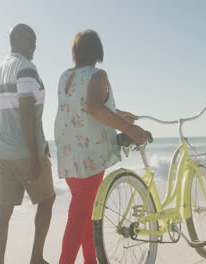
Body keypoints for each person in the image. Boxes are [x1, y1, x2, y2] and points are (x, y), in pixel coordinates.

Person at [54, 29, 150, 264]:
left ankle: (91, 261)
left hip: (68, 151)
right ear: (98, 51)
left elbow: (84, 104)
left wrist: (118, 113)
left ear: (75, 52)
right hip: (90, 153)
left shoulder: (65, 76)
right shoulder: (98, 75)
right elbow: (94, 108)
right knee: (78, 216)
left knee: (86, 212)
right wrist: (130, 130)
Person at [0, 23, 56, 264]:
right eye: (32, 39)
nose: (35, 45)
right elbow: (26, 110)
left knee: (4, 211)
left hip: (0, 152)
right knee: (47, 200)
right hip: (25, 151)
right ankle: (36, 259)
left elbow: (3, 113)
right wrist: (33, 157)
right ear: (17, 40)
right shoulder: (26, 68)